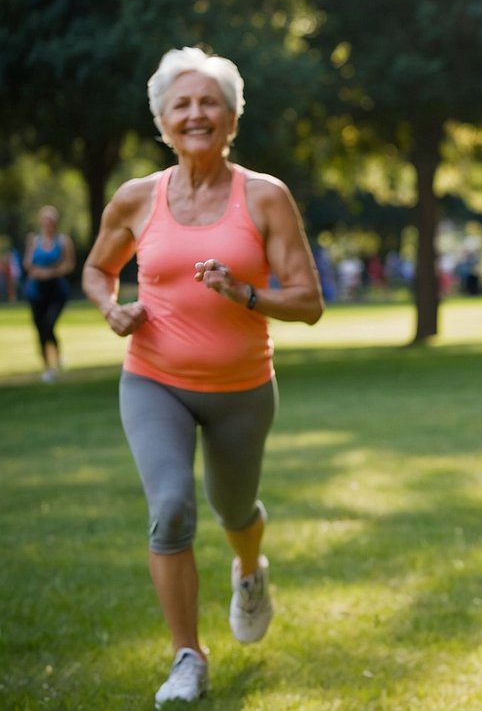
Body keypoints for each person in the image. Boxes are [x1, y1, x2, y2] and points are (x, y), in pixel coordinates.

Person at [82, 47, 324, 706]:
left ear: (232, 117)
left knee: (234, 509)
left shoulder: (265, 196)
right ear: (162, 120)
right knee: (170, 511)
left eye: (208, 102)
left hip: (243, 392)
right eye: (181, 104)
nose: (196, 114)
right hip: (153, 379)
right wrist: (112, 307)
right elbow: (98, 268)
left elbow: (309, 302)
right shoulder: (136, 198)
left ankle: (249, 567)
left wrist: (246, 294)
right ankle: (187, 656)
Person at [23, 204, 76, 382]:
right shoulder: (34, 241)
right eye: (44, 220)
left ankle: (57, 356)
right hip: (36, 291)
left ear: (55, 223)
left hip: (56, 291)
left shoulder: (63, 241)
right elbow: (27, 264)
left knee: (49, 324)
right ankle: (47, 366)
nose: (47, 224)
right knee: (40, 327)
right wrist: (37, 272)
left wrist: (51, 272)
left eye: (50, 221)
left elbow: (69, 264)